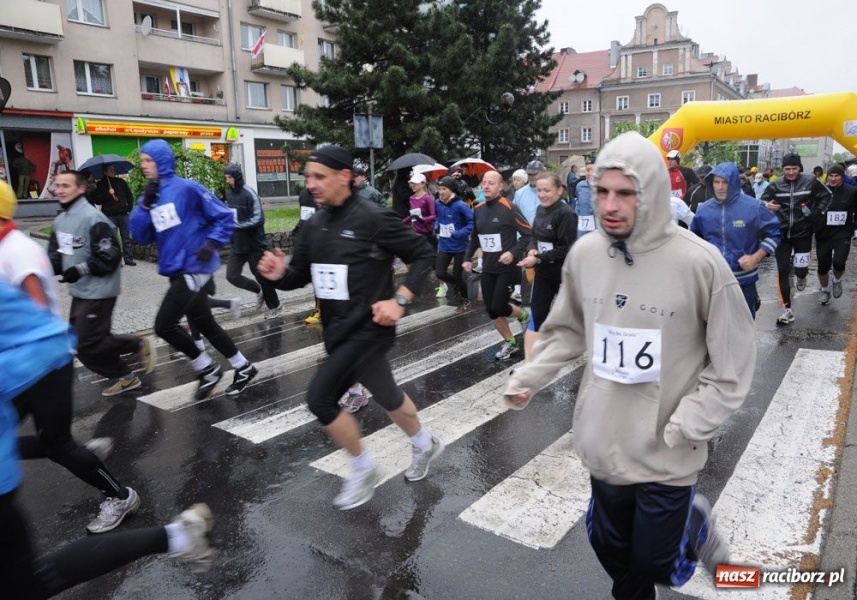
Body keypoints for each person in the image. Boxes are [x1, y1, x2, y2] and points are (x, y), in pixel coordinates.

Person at [505, 131, 755, 600]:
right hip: (606, 438)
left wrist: (688, 426)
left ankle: (693, 523)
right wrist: (529, 376)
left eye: (625, 193)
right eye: (602, 191)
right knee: (610, 550)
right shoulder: (585, 254)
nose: (610, 205)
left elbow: (734, 362)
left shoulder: (700, 264)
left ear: (653, 193)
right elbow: (567, 329)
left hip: (667, 447)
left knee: (656, 562)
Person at [257, 145, 443, 510]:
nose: (311, 184)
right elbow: (300, 275)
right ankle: (424, 443)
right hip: (337, 330)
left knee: (320, 399)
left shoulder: (373, 218)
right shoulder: (314, 225)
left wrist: (400, 300)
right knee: (388, 396)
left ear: (344, 176)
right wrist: (280, 276)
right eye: (307, 177)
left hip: (370, 327)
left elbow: (422, 254)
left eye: (319, 177)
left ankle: (363, 467)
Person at [0, 282, 215, 596]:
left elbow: (39, 302)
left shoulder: (19, 249)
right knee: (26, 582)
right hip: (35, 360)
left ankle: (120, 494)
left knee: (56, 445)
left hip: (44, 357)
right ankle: (177, 535)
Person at [129, 140, 257, 399]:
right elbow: (140, 236)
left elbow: (223, 216)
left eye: (147, 160)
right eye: (142, 161)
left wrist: (211, 243)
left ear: (161, 161)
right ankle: (244, 367)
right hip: (176, 269)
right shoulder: (150, 196)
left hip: (194, 268)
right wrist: (144, 207)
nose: (142, 166)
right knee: (205, 324)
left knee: (164, 325)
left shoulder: (187, 189)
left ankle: (207, 368)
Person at [47, 170, 154, 397]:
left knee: (88, 342)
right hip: (80, 291)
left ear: (81, 189)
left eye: (66, 185)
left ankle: (137, 344)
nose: (61, 190)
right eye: (58, 186)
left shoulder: (93, 219)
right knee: (78, 346)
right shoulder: (60, 221)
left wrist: (80, 269)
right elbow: (56, 257)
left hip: (100, 289)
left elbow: (111, 255)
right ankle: (127, 378)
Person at [690, 163, 781, 318]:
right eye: (716, 182)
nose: (720, 187)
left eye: (725, 182)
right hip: (713, 282)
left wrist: (755, 257)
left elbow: (774, 233)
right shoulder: (703, 210)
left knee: (743, 330)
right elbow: (694, 242)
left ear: (734, 182)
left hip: (744, 282)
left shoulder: (754, 206)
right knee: (713, 330)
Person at [463, 170, 532, 360]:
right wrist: (467, 258)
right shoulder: (478, 209)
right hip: (488, 268)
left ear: (501, 186)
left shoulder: (509, 207)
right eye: (484, 182)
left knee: (499, 306)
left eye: (491, 183)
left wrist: (513, 253)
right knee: (491, 309)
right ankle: (510, 342)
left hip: (507, 268)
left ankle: (524, 316)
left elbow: (528, 234)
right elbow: (475, 238)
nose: (486, 186)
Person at [761, 153, 831, 325]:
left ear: (800, 168)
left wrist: (816, 213)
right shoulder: (776, 184)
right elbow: (761, 201)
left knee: (800, 269)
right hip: (782, 233)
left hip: (803, 233)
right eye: (787, 169)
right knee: (783, 270)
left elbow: (827, 196)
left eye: (794, 168)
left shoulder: (810, 181)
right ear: (783, 169)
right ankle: (787, 310)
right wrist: (767, 206)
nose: (790, 172)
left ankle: (801, 275)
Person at [515, 173, 577, 358]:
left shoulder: (566, 214)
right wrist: (532, 250)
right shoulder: (541, 209)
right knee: (538, 310)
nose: (542, 194)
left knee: (569, 313)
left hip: (563, 272)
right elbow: (534, 235)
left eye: (546, 190)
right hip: (543, 270)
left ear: (559, 190)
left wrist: (538, 257)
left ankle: (572, 343)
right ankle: (539, 356)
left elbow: (565, 248)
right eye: (539, 190)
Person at [223, 164, 282, 319]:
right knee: (231, 275)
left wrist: (237, 226)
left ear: (236, 176)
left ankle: (275, 306)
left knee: (261, 276)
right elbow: (231, 216)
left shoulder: (249, 193)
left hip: (254, 243)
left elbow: (258, 218)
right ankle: (259, 291)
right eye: (226, 177)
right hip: (238, 244)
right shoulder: (229, 195)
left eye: (229, 177)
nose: (227, 180)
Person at [814, 164, 857, 305]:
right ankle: (825, 290)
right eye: (831, 175)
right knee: (822, 266)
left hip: (842, 234)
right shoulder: (820, 191)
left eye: (836, 176)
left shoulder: (852, 191)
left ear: (842, 177)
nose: (833, 179)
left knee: (839, 262)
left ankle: (837, 280)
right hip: (823, 234)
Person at [434, 176, 474, 310]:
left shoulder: (460, 205)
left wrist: (459, 233)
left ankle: (465, 300)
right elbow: (436, 218)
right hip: (444, 245)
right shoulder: (438, 203)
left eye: (444, 189)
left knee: (458, 275)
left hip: (460, 246)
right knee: (439, 273)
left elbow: (472, 223)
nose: (441, 192)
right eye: (439, 189)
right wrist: (436, 226)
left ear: (451, 190)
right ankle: (455, 285)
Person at [94, 165, 137, 266]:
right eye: (111, 170)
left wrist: (129, 208)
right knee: (112, 239)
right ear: (105, 172)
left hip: (123, 214)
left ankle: (128, 258)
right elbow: (96, 200)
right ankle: (116, 260)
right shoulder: (100, 184)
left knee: (126, 238)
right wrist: (108, 194)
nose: (114, 171)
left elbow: (129, 195)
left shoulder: (121, 182)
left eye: (114, 169)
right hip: (109, 216)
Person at [404, 173, 437, 248]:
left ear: (423, 184)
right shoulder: (411, 198)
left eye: (415, 183)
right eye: (412, 183)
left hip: (427, 233)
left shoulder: (428, 198)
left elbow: (433, 216)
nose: (413, 185)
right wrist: (401, 222)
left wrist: (422, 219)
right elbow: (412, 215)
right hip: (415, 232)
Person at [571, 161, 596, 238]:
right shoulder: (580, 186)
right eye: (588, 170)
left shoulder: (605, 187)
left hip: (598, 231)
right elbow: (578, 205)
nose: (590, 173)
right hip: (582, 230)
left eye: (593, 170)